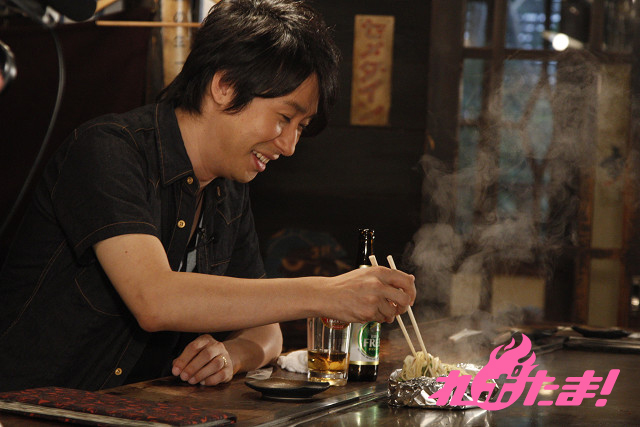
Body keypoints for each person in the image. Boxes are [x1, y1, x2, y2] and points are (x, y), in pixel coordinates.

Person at [0, 0, 415, 392]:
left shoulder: (227, 188)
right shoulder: (109, 150)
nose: (289, 145)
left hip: (128, 411)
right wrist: (327, 294)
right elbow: (155, 299)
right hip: (25, 410)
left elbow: (266, 331)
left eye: (301, 127)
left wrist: (233, 355)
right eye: (284, 118)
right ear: (225, 86)